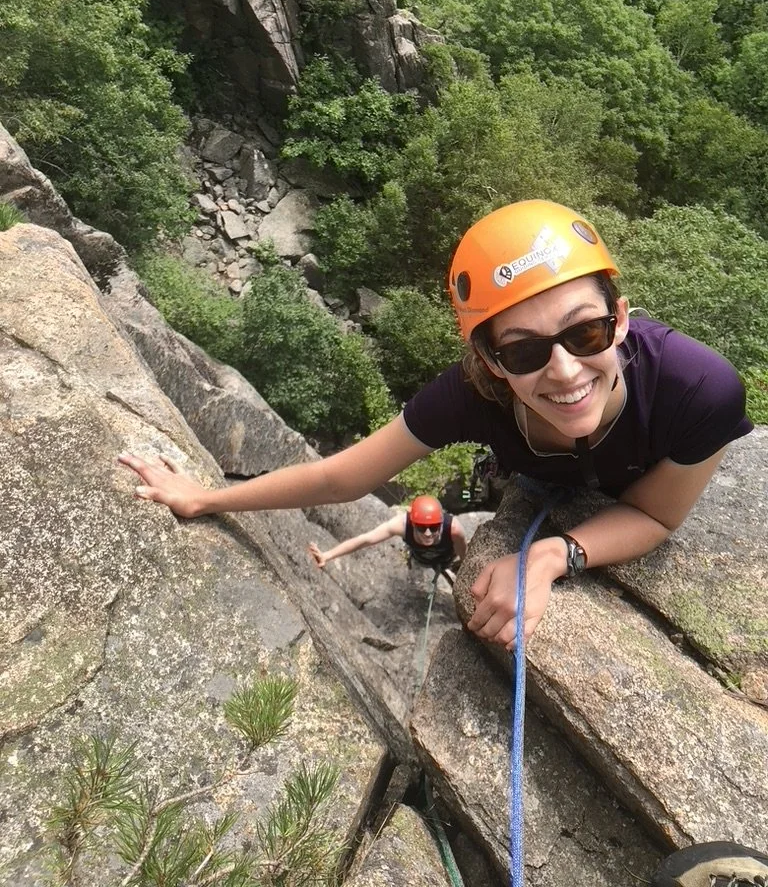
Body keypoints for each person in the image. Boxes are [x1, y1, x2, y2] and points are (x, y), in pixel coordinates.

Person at [118, 199, 753, 652]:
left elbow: (657, 518)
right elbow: (343, 477)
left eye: (585, 332)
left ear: (620, 319)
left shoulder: (699, 390)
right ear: (490, 361)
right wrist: (202, 497)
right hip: (534, 486)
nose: (563, 370)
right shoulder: (470, 396)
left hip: (611, 492)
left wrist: (553, 556)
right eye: (525, 351)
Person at [307, 495, 467, 578]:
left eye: (433, 528)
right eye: (420, 527)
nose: (427, 533)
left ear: (440, 523)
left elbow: (464, 556)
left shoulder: (453, 529)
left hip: (446, 558)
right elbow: (365, 539)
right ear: (413, 523)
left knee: (442, 565)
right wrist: (327, 555)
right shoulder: (401, 525)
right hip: (420, 558)